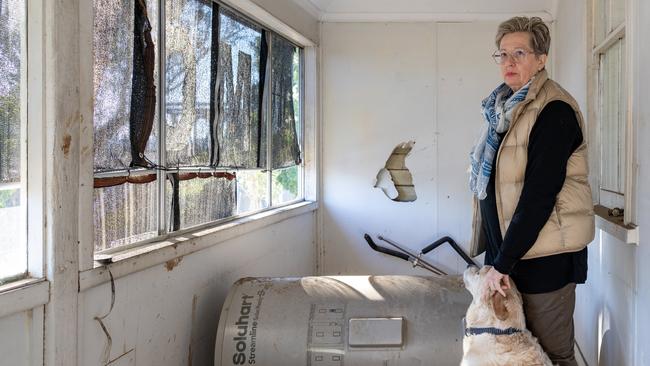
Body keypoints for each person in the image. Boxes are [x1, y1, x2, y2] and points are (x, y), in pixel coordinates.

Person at [468, 16, 595, 366]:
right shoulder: (504, 111)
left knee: (552, 355)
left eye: (519, 53)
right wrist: (497, 260)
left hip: (544, 264)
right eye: (503, 54)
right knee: (512, 355)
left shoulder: (554, 110)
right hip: (509, 259)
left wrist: (502, 262)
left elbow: (539, 195)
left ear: (541, 59)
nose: (508, 62)